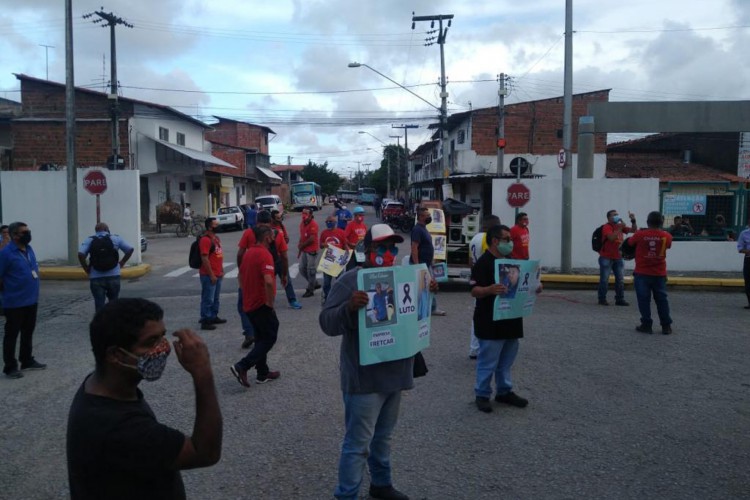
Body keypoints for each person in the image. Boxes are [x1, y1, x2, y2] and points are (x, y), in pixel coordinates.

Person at [320, 224, 437, 500]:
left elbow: (416, 317)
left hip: (395, 375)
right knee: (358, 444)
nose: (388, 253)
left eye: (393, 247)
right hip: (364, 381)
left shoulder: (405, 277)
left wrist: (427, 291)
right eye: (381, 247)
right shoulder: (352, 280)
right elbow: (326, 322)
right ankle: (346, 495)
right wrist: (349, 308)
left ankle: (381, 485)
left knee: (382, 439)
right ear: (368, 250)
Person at [66, 298, 222, 499]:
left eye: (162, 337)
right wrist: (202, 372)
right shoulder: (122, 428)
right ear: (116, 355)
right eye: (151, 342)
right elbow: (205, 452)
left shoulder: (100, 387)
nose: (163, 349)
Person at [470, 224, 541, 413]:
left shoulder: (512, 261)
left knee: (506, 361)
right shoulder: (484, 263)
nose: (510, 243)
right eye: (506, 239)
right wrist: (489, 290)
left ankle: (504, 391)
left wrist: (534, 286)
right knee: (488, 361)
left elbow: (522, 285)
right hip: (490, 321)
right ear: (495, 241)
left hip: (511, 319)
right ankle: (482, 394)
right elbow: (474, 291)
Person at [231, 225, 282, 387]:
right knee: (270, 336)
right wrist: (270, 303)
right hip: (260, 304)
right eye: (272, 236)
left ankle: (262, 373)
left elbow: (240, 276)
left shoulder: (248, 253)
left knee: (260, 337)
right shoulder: (264, 254)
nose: (274, 239)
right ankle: (242, 366)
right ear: (267, 237)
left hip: (249, 303)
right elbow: (268, 280)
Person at [0, 222, 45, 379]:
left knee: (28, 332)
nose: (28, 234)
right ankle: (10, 366)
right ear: (14, 235)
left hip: (31, 300)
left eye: (28, 231)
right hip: (14, 302)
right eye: (24, 232)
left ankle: (26, 359)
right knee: (11, 334)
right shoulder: (6, 253)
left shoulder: (29, 249)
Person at [622, 211, 674, 335]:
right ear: (661, 222)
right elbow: (668, 246)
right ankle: (666, 326)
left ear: (647, 222)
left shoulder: (640, 235)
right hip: (660, 273)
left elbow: (629, 244)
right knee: (662, 300)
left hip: (642, 273)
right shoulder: (667, 236)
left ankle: (646, 324)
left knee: (643, 300)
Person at [77, 222, 135, 312]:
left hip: (96, 277)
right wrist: (122, 262)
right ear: (107, 230)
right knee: (114, 303)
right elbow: (130, 249)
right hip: (114, 275)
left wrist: (86, 268)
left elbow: (81, 254)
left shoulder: (90, 240)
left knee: (99, 304)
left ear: (96, 231)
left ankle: (101, 324)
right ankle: (113, 323)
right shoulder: (115, 238)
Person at [467, 215, 501, 359]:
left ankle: (474, 348)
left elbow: (470, 261)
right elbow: (492, 258)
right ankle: (482, 348)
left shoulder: (474, 238)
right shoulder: (487, 239)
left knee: (478, 317)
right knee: (486, 317)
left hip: (478, 280)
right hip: (487, 283)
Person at [410, 206, 446, 316]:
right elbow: (414, 247)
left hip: (426, 263)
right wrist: (416, 265)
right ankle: (431, 308)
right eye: (427, 216)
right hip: (420, 264)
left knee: (428, 286)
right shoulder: (417, 229)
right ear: (421, 217)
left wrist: (432, 260)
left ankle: (429, 307)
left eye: (429, 215)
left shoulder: (424, 229)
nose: (429, 217)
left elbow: (427, 246)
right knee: (428, 286)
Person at [597, 209, 637, 306]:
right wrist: (619, 228)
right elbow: (611, 238)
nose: (617, 216)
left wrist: (633, 220)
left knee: (620, 279)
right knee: (604, 279)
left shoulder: (620, 226)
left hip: (618, 256)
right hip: (606, 257)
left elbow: (634, 230)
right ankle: (602, 299)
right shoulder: (607, 227)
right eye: (614, 215)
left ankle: (620, 299)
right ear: (609, 217)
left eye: (617, 214)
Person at [198, 217, 225, 330]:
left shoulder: (216, 238)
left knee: (215, 298)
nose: (218, 226)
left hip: (217, 273)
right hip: (209, 275)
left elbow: (218, 255)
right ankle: (206, 320)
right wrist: (211, 275)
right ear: (209, 226)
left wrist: (221, 270)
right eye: (215, 224)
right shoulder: (205, 240)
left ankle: (213, 316)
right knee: (208, 298)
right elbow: (204, 258)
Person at [319, 214, 349, 302]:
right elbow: (320, 245)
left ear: (335, 222)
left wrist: (347, 254)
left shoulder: (341, 232)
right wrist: (323, 245)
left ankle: (341, 297)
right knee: (326, 282)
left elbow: (345, 245)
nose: (329, 223)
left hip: (338, 260)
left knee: (340, 281)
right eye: (327, 222)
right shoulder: (324, 233)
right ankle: (327, 297)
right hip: (328, 260)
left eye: (330, 222)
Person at [298, 208, 320, 298]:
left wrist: (302, 245)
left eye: (306, 213)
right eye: (303, 213)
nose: (303, 215)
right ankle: (314, 283)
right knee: (302, 268)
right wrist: (300, 243)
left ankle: (310, 289)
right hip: (304, 250)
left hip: (311, 250)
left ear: (310, 215)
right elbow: (302, 235)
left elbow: (311, 239)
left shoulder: (313, 224)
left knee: (311, 271)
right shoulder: (302, 224)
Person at [344, 206, 368, 271]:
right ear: (355, 215)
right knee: (351, 270)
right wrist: (349, 244)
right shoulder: (350, 225)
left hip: (361, 252)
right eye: (360, 215)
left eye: (362, 215)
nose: (362, 216)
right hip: (352, 252)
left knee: (361, 270)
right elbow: (344, 237)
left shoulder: (364, 226)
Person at [736, 219, 750, 309]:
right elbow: (740, 248)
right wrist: (748, 251)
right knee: (748, 281)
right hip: (749, 259)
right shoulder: (744, 234)